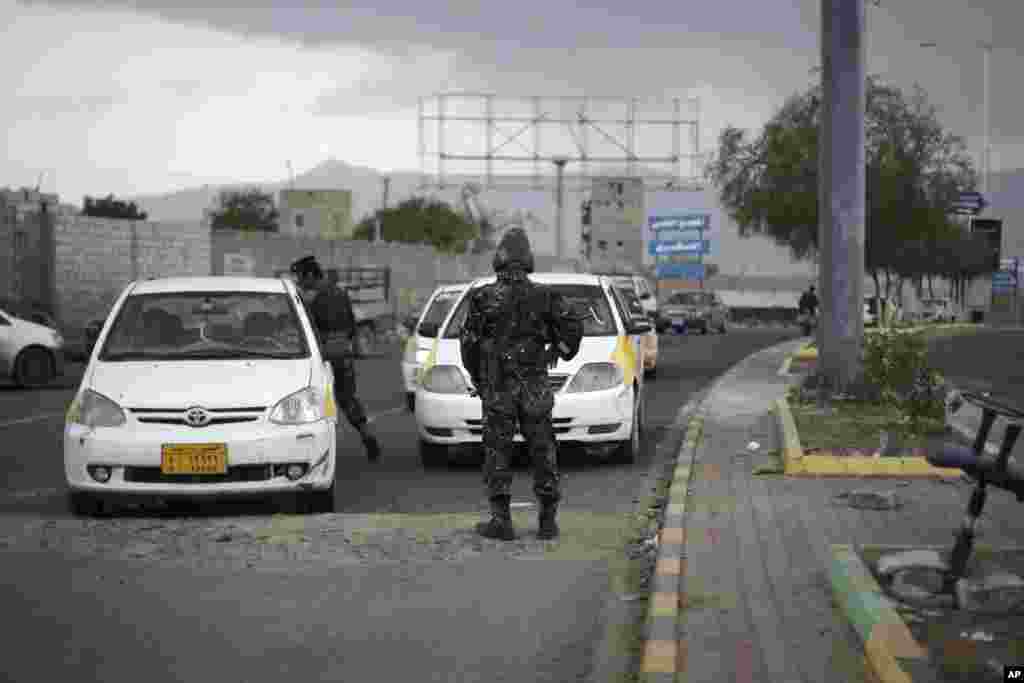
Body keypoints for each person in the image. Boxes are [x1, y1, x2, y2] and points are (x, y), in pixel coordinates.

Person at [459, 228, 583, 541]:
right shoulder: (545, 295)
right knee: (543, 448)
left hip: (498, 387)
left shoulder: (483, 297)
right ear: (528, 261)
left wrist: (479, 377)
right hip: (534, 387)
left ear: (497, 261)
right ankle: (547, 521)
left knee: (497, 451)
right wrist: (559, 350)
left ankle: (501, 521)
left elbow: (468, 343)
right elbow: (573, 326)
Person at [290, 255, 381, 462]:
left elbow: (308, 329)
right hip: (344, 355)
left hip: (322, 357)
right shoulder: (340, 293)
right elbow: (351, 325)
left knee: (316, 402)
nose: (299, 283)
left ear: (311, 275)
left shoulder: (313, 299)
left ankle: (322, 450)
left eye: (301, 278)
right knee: (348, 399)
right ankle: (367, 435)